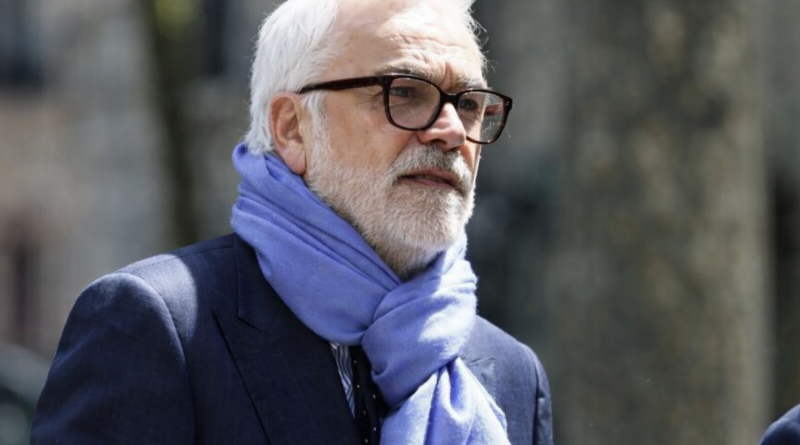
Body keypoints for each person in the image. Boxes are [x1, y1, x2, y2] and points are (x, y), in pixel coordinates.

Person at [31, 0, 553, 443]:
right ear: (293, 129)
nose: (450, 131)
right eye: (404, 93)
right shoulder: (156, 326)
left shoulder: (509, 371)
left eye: (468, 105)